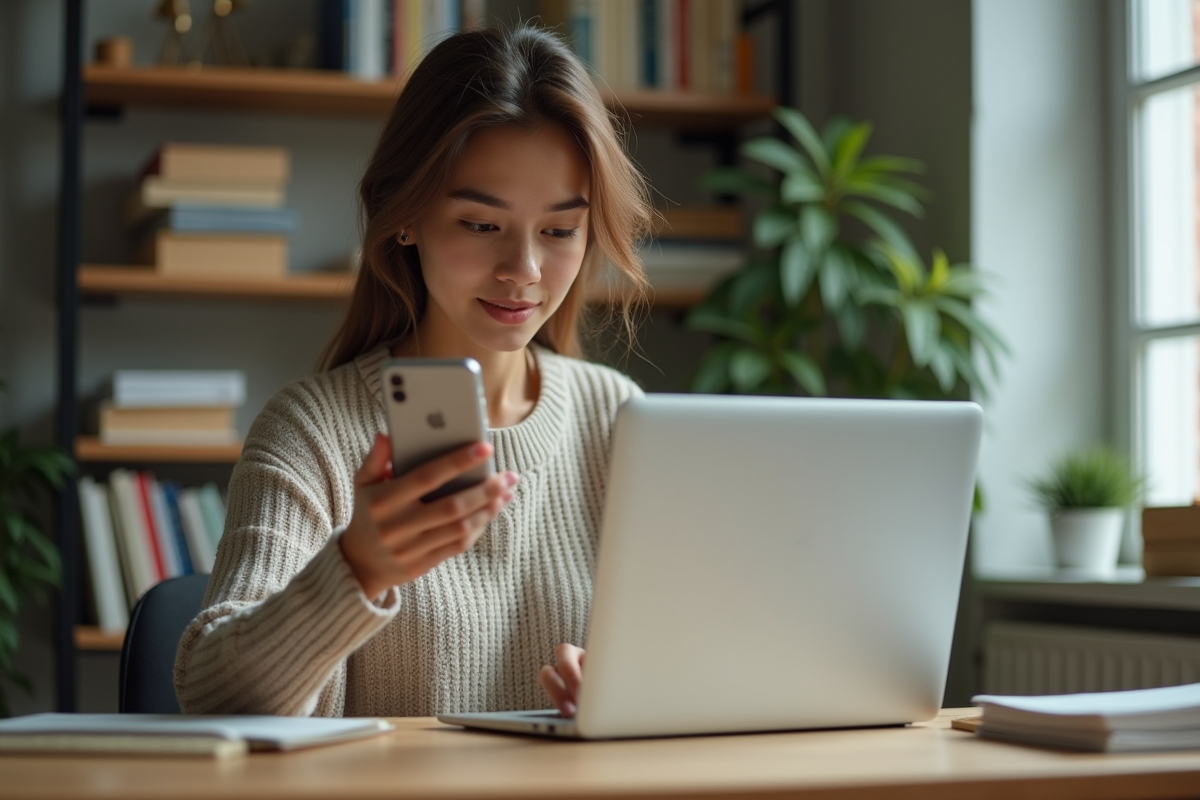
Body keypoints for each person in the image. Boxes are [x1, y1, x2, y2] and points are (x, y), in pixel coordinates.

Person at [173, 24, 652, 718]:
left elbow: (699, 658)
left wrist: (630, 692)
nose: (523, 270)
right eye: (481, 225)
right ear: (407, 217)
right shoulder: (312, 433)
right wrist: (356, 569)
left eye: (559, 230)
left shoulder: (620, 420)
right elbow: (211, 697)